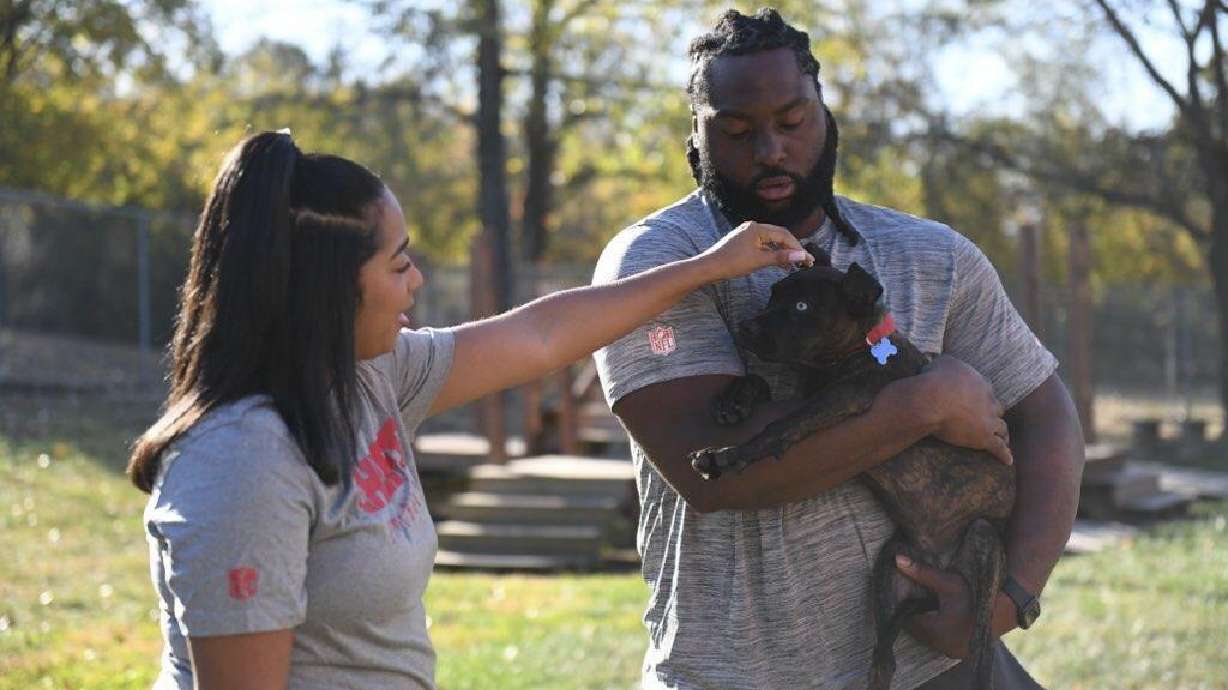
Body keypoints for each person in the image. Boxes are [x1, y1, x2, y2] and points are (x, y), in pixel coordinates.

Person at [128, 130, 813, 690]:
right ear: (326, 288)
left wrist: (707, 266)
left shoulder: (368, 378)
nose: (418, 282)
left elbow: (538, 337)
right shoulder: (243, 461)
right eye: (399, 266)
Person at [592, 8, 1085, 690]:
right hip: (734, 676)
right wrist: (919, 407)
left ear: (826, 116)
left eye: (792, 122)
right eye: (736, 130)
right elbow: (717, 472)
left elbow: (1046, 414)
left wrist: (1011, 597)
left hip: (935, 670)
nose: (770, 150)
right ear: (696, 140)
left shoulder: (932, 256)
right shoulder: (661, 264)